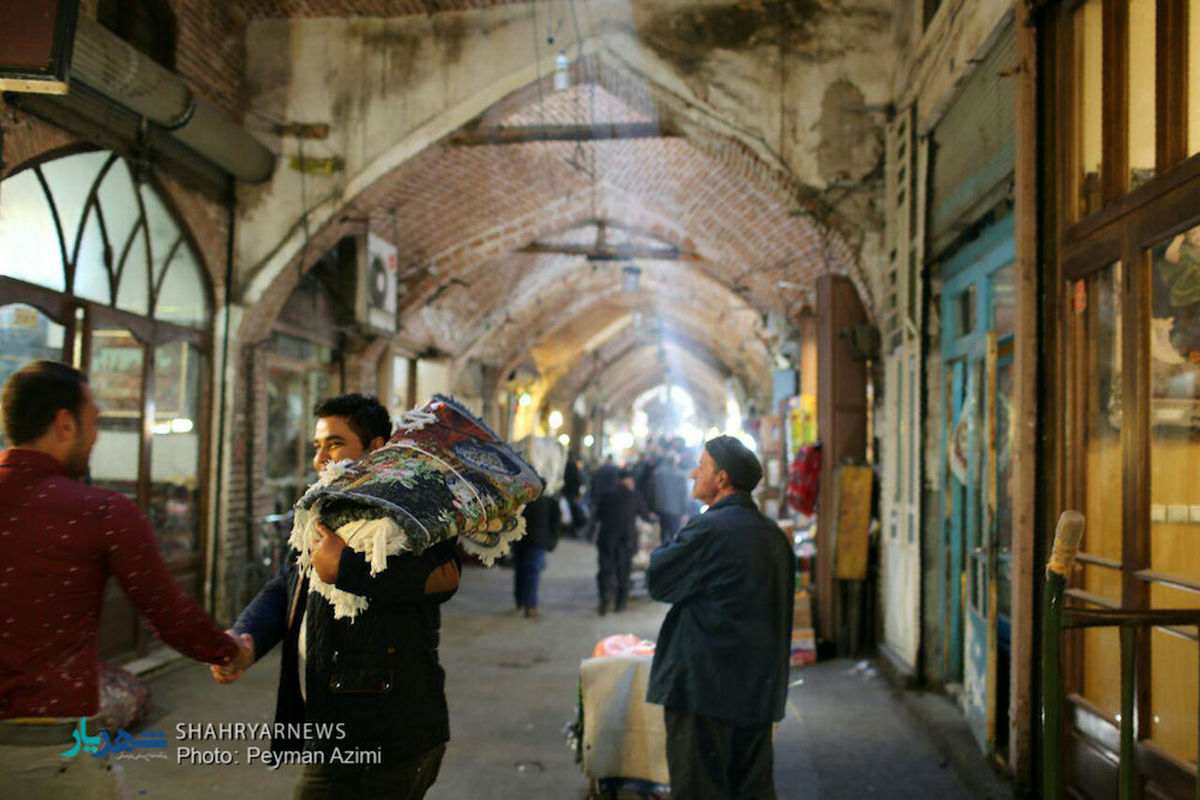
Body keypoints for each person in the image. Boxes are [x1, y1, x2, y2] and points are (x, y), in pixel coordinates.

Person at [0, 361, 248, 799]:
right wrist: (229, 650)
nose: (96, 436)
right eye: (94, 421)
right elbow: (167, 612)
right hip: (54, 754)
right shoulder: (101, 511)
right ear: (65, 423)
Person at [214, 393, 461, 800]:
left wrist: (345, 568)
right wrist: (246, 639)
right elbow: (287, 586)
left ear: (376, 449)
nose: (320, 460)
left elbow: (443, 577)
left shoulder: (411, 505)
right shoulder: (323, 509)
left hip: (393, 735)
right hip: (329, 726)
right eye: (318, 446)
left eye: (335, 444)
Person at [645, 436, 795, 800]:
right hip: (758, 692)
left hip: (704, 692)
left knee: (700, 788)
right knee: (751, 790)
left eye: (702, 467)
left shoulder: (710, 530)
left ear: (722, 479)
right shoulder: (774, 537)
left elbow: (658, 579)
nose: (694, 472)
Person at [594, 468, 653, 615]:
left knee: (605, 570)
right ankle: (621, 603)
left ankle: (604, 600)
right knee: (623, 572)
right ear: (630, 480)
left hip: (607, 538)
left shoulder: (607, 494)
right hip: (626, 539)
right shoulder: (635, 496)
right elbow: (645, 515)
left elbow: (598, 515)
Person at [511, 492, 561, 618]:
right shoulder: (523, 500)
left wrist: (552, 540)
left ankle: (526, 603)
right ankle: (526, 603)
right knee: (528, 573)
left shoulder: (526, 500)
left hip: (531, 542)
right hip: (530, 542)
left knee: (526, 572)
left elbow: (555, 522)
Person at [649, 453, 690, 544]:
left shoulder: (657, 473)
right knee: (674, 533)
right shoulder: (681, 475)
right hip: (676, 510)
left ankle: (663, 550)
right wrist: (685, 511)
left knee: (663, 532)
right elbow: (684, 495)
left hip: (661, 508)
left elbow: (652, 492)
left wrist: (651, 508)